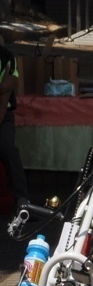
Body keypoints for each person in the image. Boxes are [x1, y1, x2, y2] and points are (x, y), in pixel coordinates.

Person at [0, 36, 30, 210]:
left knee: (7, 148)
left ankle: (23, 200)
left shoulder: (8, 59)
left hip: (3, 115)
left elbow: (4, 97)